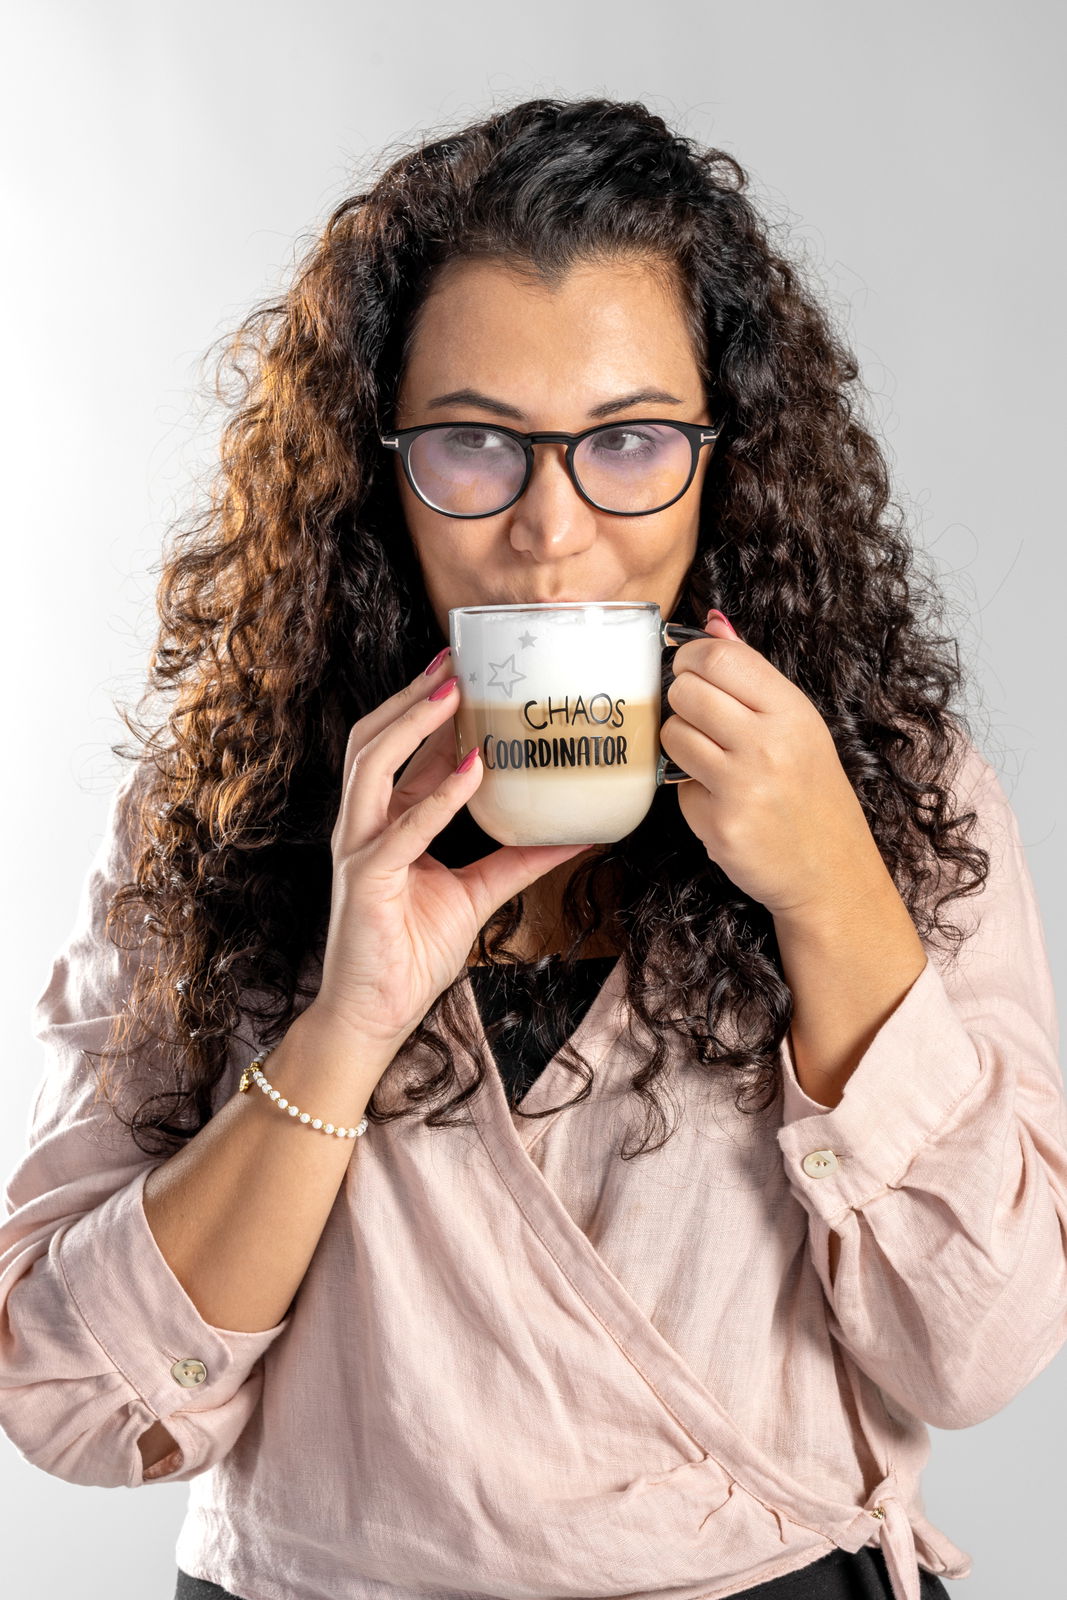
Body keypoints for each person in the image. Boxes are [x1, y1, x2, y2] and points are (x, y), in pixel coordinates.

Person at [0, 95, 1064, 1600]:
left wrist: (834, 890)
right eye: (475, 444)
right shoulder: (228, 806)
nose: (552, 530)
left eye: (630, 441)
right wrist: (342, 1028)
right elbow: (68, 1400)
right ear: (380, 470)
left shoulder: (887, 787)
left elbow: (979, 1349)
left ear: (727, 460)